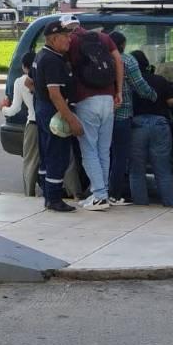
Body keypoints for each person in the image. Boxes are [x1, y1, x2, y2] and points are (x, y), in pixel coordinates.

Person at [65, 14, 124, 211]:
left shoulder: (70, 41)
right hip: (108, 99)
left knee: (89, 149)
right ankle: (102, 191)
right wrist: (118, 91)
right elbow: (118, 61)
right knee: (103, 149)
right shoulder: (103, 38)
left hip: (85, 100)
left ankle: (99, 195)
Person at [33, 20, 85, 213]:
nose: (69, 40)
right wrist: (72, 120)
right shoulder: (53, 60)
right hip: (54, 113)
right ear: (54, 39)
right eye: (65, 36)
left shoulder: (43, 56)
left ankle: (49, 195)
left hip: (43, 110)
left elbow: (32, 83)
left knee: (48, 155)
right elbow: (55, 94)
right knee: (58, 155)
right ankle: (54, 198)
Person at [107, 30, 157, 205]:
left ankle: (99, 190)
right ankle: (114, 193)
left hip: (101, 114)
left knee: (102, 154)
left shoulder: (100, 60)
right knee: (120, 155)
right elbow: (140, 85)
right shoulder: (127, 60)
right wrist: (154, 95)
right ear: (122, 45)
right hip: (122, 114)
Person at [128, 50, 173, 207]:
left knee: (136, 169)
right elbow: (172, 101)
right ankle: (170, 203)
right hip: (159, 125)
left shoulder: (129, 82)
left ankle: (141, 202)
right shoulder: (160, 80)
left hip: (136, 126)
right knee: (162, 168)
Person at [0, 50, 39, 196]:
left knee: (30, 162)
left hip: (33, 123)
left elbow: (14, 109)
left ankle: (29, 192)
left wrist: (3, 108)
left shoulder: (20, 82)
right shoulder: (45, 76)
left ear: (23, 67)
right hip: (49, 122)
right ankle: (75, 192)